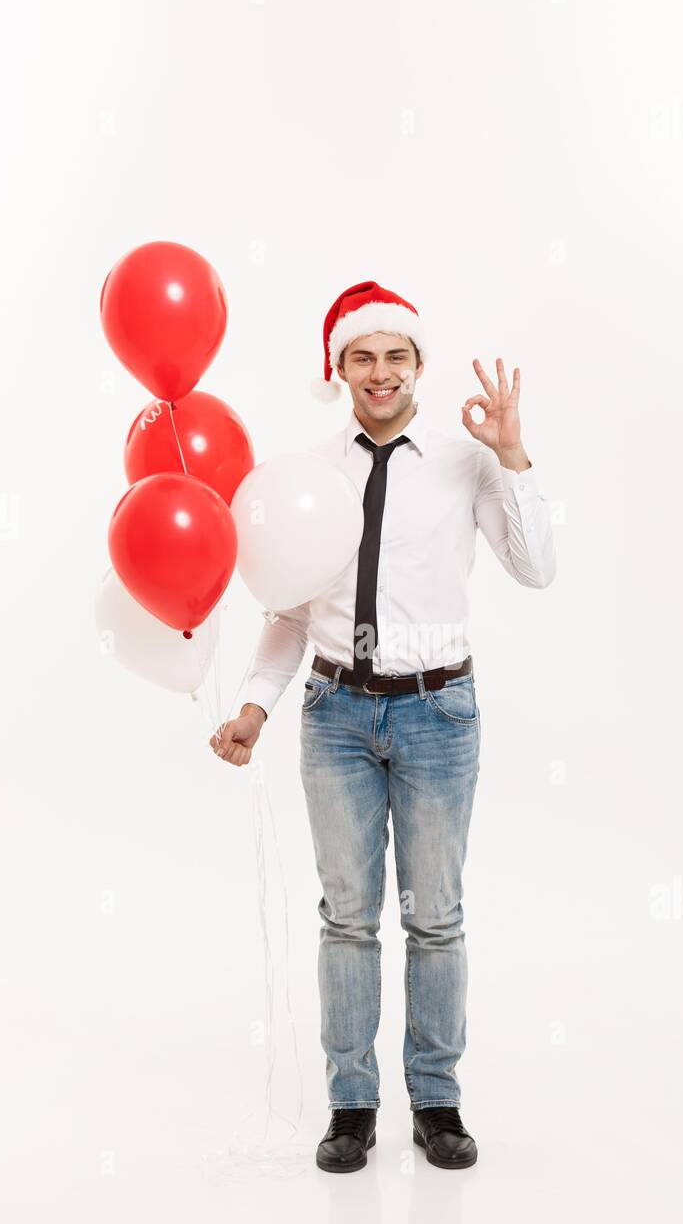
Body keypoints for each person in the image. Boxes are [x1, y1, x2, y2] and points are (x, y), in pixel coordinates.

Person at [211, 281, 556, 1173]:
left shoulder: (464, 459)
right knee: (349, 918)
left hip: (440, 712)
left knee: (435, 918)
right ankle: (351, 1103)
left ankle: (437, 1101)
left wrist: (513, 455)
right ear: (340, 369)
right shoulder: (308, 477)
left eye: (394, 355)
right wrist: (254, 705)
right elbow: (290, 611)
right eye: (361, 356)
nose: (379, 372)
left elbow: (538, 569)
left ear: (418, 366)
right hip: (337, 715)